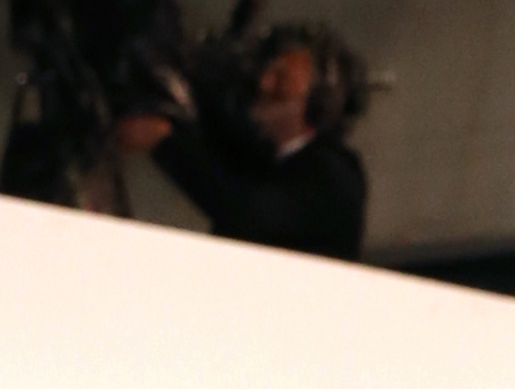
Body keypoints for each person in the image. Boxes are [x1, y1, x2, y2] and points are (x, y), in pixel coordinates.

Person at [128, 20, 369, 264]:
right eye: (268, 71)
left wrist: (165, 142)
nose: (264, 83)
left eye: (282, 81)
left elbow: (246, 211)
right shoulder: (271, 157)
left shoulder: (336, 175)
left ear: (319, 102)